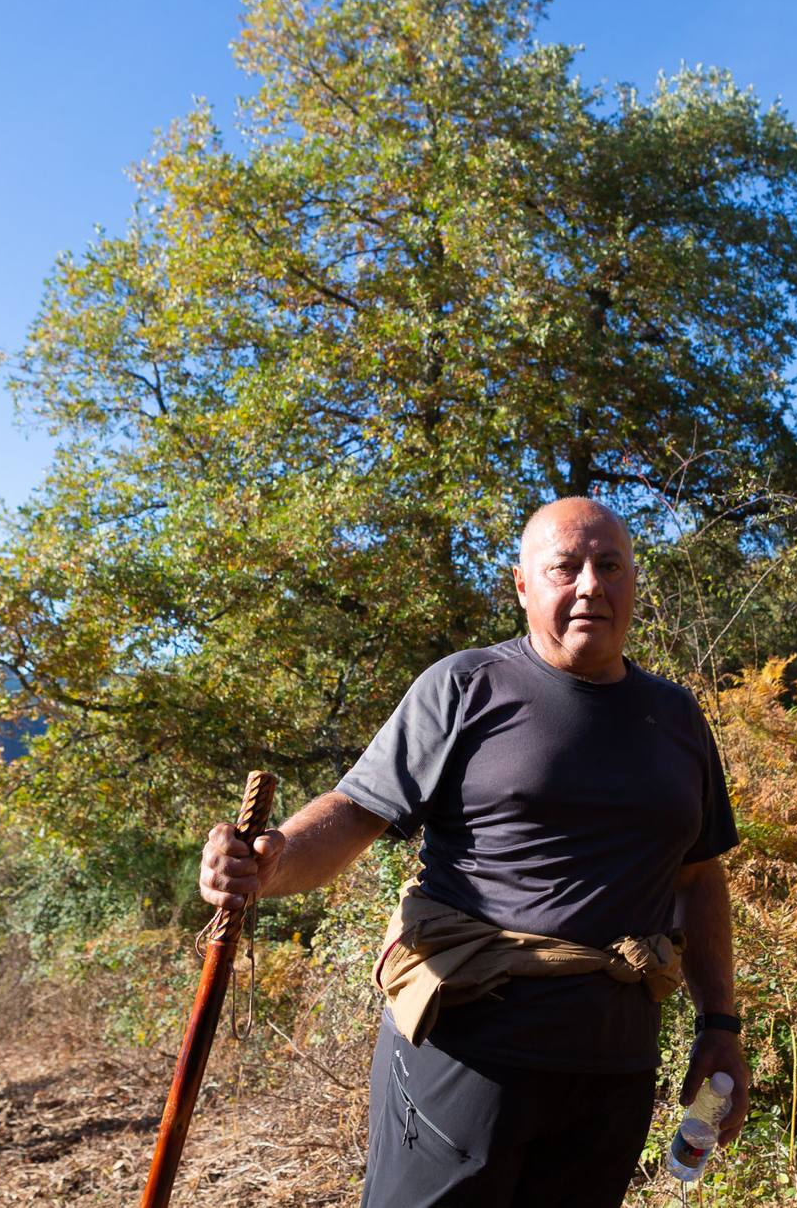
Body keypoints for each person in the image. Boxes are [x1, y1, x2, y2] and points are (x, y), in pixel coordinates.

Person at [200, 496, 748, 1208]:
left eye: (609, 566)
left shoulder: (674, 717)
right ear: (523, 585)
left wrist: (719, 1026)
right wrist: (270, 860)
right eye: (565, 567)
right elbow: (353, 812)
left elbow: (699, 877)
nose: (590, 585)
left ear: (633, 582)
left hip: (615, 1066)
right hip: (464, 1050)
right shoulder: (465, 686)